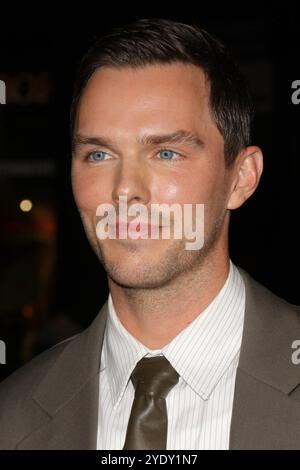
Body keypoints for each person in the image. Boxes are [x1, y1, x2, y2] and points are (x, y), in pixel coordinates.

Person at [1, 18, 300, 451]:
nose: (125, 189)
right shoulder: (13, 415)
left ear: (241, 178)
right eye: (99, 153)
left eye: (165, 152)